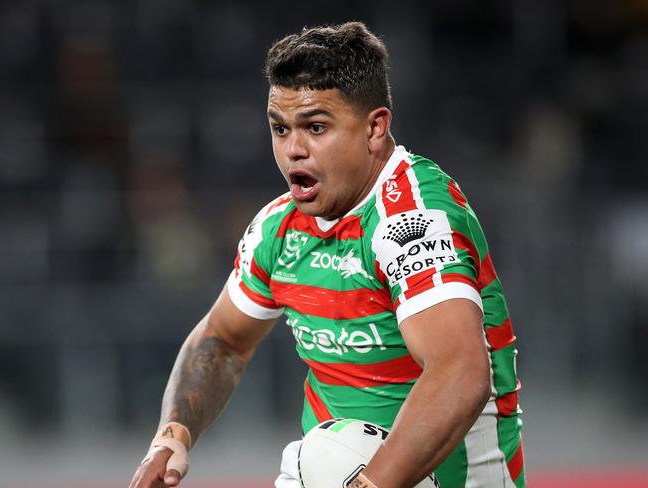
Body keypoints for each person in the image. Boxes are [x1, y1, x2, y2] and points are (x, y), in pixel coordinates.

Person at [128, 21, 525, 488]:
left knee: (323, 460)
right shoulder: (278, 228)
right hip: (342, 475)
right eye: (280, 128)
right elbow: (223, 340)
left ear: (375, 128)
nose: (294, 150)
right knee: (320, 459)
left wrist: (369, 484)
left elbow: (460, 373)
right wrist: (172, 437)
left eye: (316, 127)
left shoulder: (412, 218)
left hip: (434, 481)